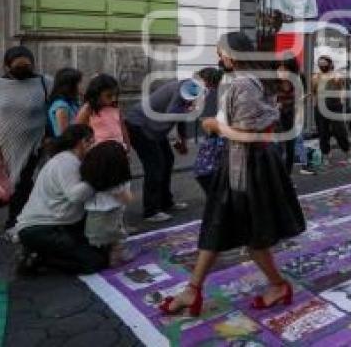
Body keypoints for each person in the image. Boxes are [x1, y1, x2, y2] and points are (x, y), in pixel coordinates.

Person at [159, 32, 305, 317]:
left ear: (234, 54)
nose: (219, 58)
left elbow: (250, 133)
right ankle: (193, 290)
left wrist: (216, 126)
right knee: (220, 225)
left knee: (247, 233)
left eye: (222, 52)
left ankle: (276, 285)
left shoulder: (244, 83)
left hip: (248, 165)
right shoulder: (250, 79)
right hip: (243, 162)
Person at [12, 124, 108, 275]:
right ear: (83, 142)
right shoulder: (66, 161)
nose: (93, 146)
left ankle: (41, 251)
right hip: (41, 229)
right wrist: (96, 179)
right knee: (95, 262)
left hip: (55, 224)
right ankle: (38, 257)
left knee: (101, 249)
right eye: (92, 141)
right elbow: (75, 196)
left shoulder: (68, 160)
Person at [124, 77, 198, 222]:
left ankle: (165, 202)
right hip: (140, 125)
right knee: (155, 165)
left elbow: (180, 117)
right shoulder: (181, 89)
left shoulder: (191, 90)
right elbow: (172, 113)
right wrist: (188, 110)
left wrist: (183, 140)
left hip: (153, 128)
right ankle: (151, 211)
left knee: (167, 160)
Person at [0, 46, 52, 230]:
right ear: (7, 66)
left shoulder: (45, 83)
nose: (23, 69)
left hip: (33, 145)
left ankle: (15, 222)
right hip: (2, 145)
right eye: (17, 66)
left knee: (22, 184)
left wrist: (49, 136)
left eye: (26, 66)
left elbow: (53, 110)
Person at [79, 141, 133, 266]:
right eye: (124, 155)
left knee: (104, 244)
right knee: (116, 244)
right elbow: (127, 199)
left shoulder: (95, 180)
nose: (128, 157)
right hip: (108, 222)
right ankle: (113, 258)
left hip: (92, 223)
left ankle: (106, 254)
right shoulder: (116, 184)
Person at [312, 55, 350, 162]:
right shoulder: (315, 77)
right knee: (323, 132)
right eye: (320, 63)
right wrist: (315, 104)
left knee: (339, 130)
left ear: (329, 64)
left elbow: (342, 89)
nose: (322, 65)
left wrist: (342, 100)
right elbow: (314, 92)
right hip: (320, 107)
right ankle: (326, 153)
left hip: (335, 106)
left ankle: (346, 151)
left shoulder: (336, 75)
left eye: (324, 63)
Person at [194, 67, 225, 195]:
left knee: (204, 172)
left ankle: (217, 199)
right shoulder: (213, 93)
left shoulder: (212, 94)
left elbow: (207, 120)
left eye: (199, 79)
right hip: (216, 137)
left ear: (206, 80)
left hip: (216, 138)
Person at [76, 74, 130, 148]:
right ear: (97, 95)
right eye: (109, 96)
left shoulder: (115, 108)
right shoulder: (88, 110)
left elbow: (123, 129)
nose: (113, 99)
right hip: (98, 152)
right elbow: (79, 132)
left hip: (119, 149)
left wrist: (128, 146)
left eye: (115, 95)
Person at [277, 57, 306, 175]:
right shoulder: (274, 83)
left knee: (289, 151)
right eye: (279, 68)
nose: (281, 72)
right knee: (278, 151)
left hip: (291, 119)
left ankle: (287, 178)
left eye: (284, 69)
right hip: (276, 121)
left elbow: (299, 102)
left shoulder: (296, 82)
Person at [47, 68, 83, 139]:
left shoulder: (72, 103)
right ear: (70, 86)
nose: (81, 86)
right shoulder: (61, 106)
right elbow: (64, 134)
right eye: (79, 83)